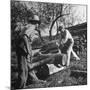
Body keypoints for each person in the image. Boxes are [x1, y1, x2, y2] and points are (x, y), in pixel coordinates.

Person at [15, 15, 45, 89]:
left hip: (20, 48)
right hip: (22, 49)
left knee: (25, 69)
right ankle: (20, 87)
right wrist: (28, 50)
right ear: (36, 22)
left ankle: (23, 85)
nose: (38, 25)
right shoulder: (32, 26)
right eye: (38, 23)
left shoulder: (28, 26)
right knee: (23, 70)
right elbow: (25, 37)